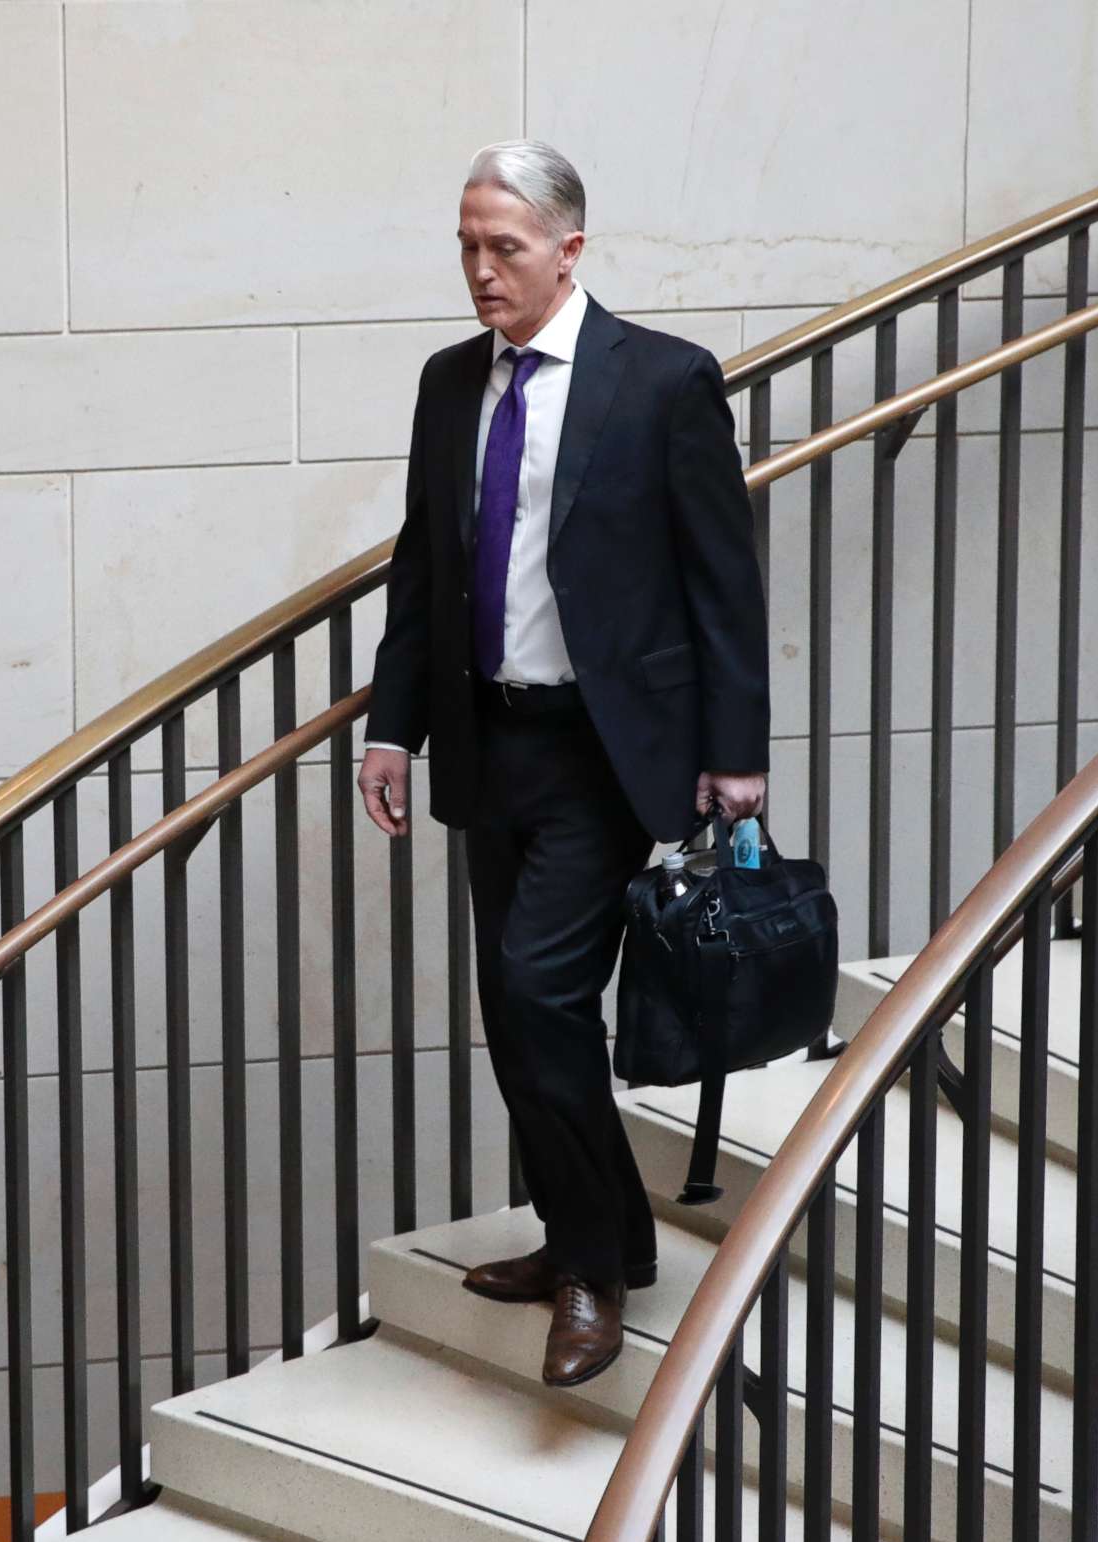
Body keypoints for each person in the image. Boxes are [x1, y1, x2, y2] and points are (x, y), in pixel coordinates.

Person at [357, 139, 770, 1389]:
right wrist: (393, 724)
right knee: (510, 1008)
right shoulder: (448, 385)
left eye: (506, 250)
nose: (481, 272)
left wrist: (734, 754)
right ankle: (600, 1231)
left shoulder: (660, 382)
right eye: (468, 248)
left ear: (570, 252)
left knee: (541, 994)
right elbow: (425, 571)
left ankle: (593, 1265)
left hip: (604, 751)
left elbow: (723, 582)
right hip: (489, 743)